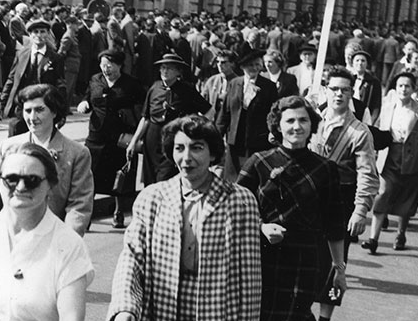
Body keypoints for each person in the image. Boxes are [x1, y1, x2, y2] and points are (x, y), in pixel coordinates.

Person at [108, 115, 261, 321]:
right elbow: (132, 257)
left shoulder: (239, 200)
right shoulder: (152, 197)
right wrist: (124, 307)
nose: (186, 157)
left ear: (213, 154)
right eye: (179, 148)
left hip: (217, 318)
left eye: (197, 148)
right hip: (161, 313)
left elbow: (249, 278)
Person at [237, 96, 347, 321]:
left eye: (303, 120)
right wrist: (261, 226)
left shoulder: (325, 168)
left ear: (312, 125)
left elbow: (334, 223)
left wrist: (339, 269)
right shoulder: (259, 162)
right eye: (290, 121)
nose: (297, 126)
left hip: (306, 261)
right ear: (277, 125)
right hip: (261, 259)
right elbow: (233, 209)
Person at [0, 142, 93, 321]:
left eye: (32, 180)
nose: (21, 187)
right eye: (11, 179)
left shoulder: (68, 244)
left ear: (50, 185)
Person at [308, 67, 378, 321]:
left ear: (352, 93)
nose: (339, 94)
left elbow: (367, 174)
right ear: (326, 89)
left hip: (339, 202)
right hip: (307, 199)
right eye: (334, 88)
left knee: (336, 266)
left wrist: (361, 210)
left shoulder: (359, 132)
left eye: (344, 90)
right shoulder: (311, 120)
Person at [0, 84, 94, 236]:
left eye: (39, 110)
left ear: (54, 112)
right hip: (13, 236)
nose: (32, 118)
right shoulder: (8, 147)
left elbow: (79, 206)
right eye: (28, 111)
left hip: (53, 237)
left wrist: (66, 242)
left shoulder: (77, 153)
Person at [362, 72, 418, 253]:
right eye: (400, 85)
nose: (403, 89)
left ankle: (401, 234)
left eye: (407, 86)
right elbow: (379, 132)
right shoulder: (388, 107)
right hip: (389, 156)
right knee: (382, 194)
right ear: (395, 88)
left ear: (413, 89)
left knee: (407, 198)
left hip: (412, 159)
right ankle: (373, 239)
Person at [76, 50, 145, 228]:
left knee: (120, 175)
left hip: (120, 137)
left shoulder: (132, 84)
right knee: (89, 174)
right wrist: (84, 103)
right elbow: (88, 96)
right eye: (103, 65)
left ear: (119, 65)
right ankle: (87, 215)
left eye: (110, 65)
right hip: (96, 136)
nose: (106, 69)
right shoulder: (95, 80)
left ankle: (119, 212)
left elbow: (141, 110)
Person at [127, 54, 211, 185]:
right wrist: (133, 142)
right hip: (152, 140)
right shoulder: (154, 88)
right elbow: (145, 118)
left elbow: (209, 112)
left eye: (170, 68)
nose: (165, 71)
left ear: (178, 72)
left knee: (166, 178)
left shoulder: (187, 89)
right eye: (163, 68)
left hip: (173, 140)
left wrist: (194, 129)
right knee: (150, 180)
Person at [0, 19, 67, 137]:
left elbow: (60, 86)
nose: (39, 35)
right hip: (21, 106)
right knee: (15, 137)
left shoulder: (55, 58)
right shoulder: (22, 54)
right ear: (30, 34)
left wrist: (62, 113)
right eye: (35, 32)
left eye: (42, 32)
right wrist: (1, 105)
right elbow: (11, 80)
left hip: (43, 107)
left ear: (48, 34)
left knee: (40, 142)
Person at [216, 49, 279, 180]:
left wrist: (273, 132)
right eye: (251, 65)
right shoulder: (234, 83)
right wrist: (216, 136)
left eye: (257, 64)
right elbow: (225, 113)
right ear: (243, 66)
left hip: (258, 141)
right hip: (235, 140)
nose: (254, 68)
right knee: (232, 177)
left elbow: (274, 114)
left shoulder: (269, 86)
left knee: (253, 176)